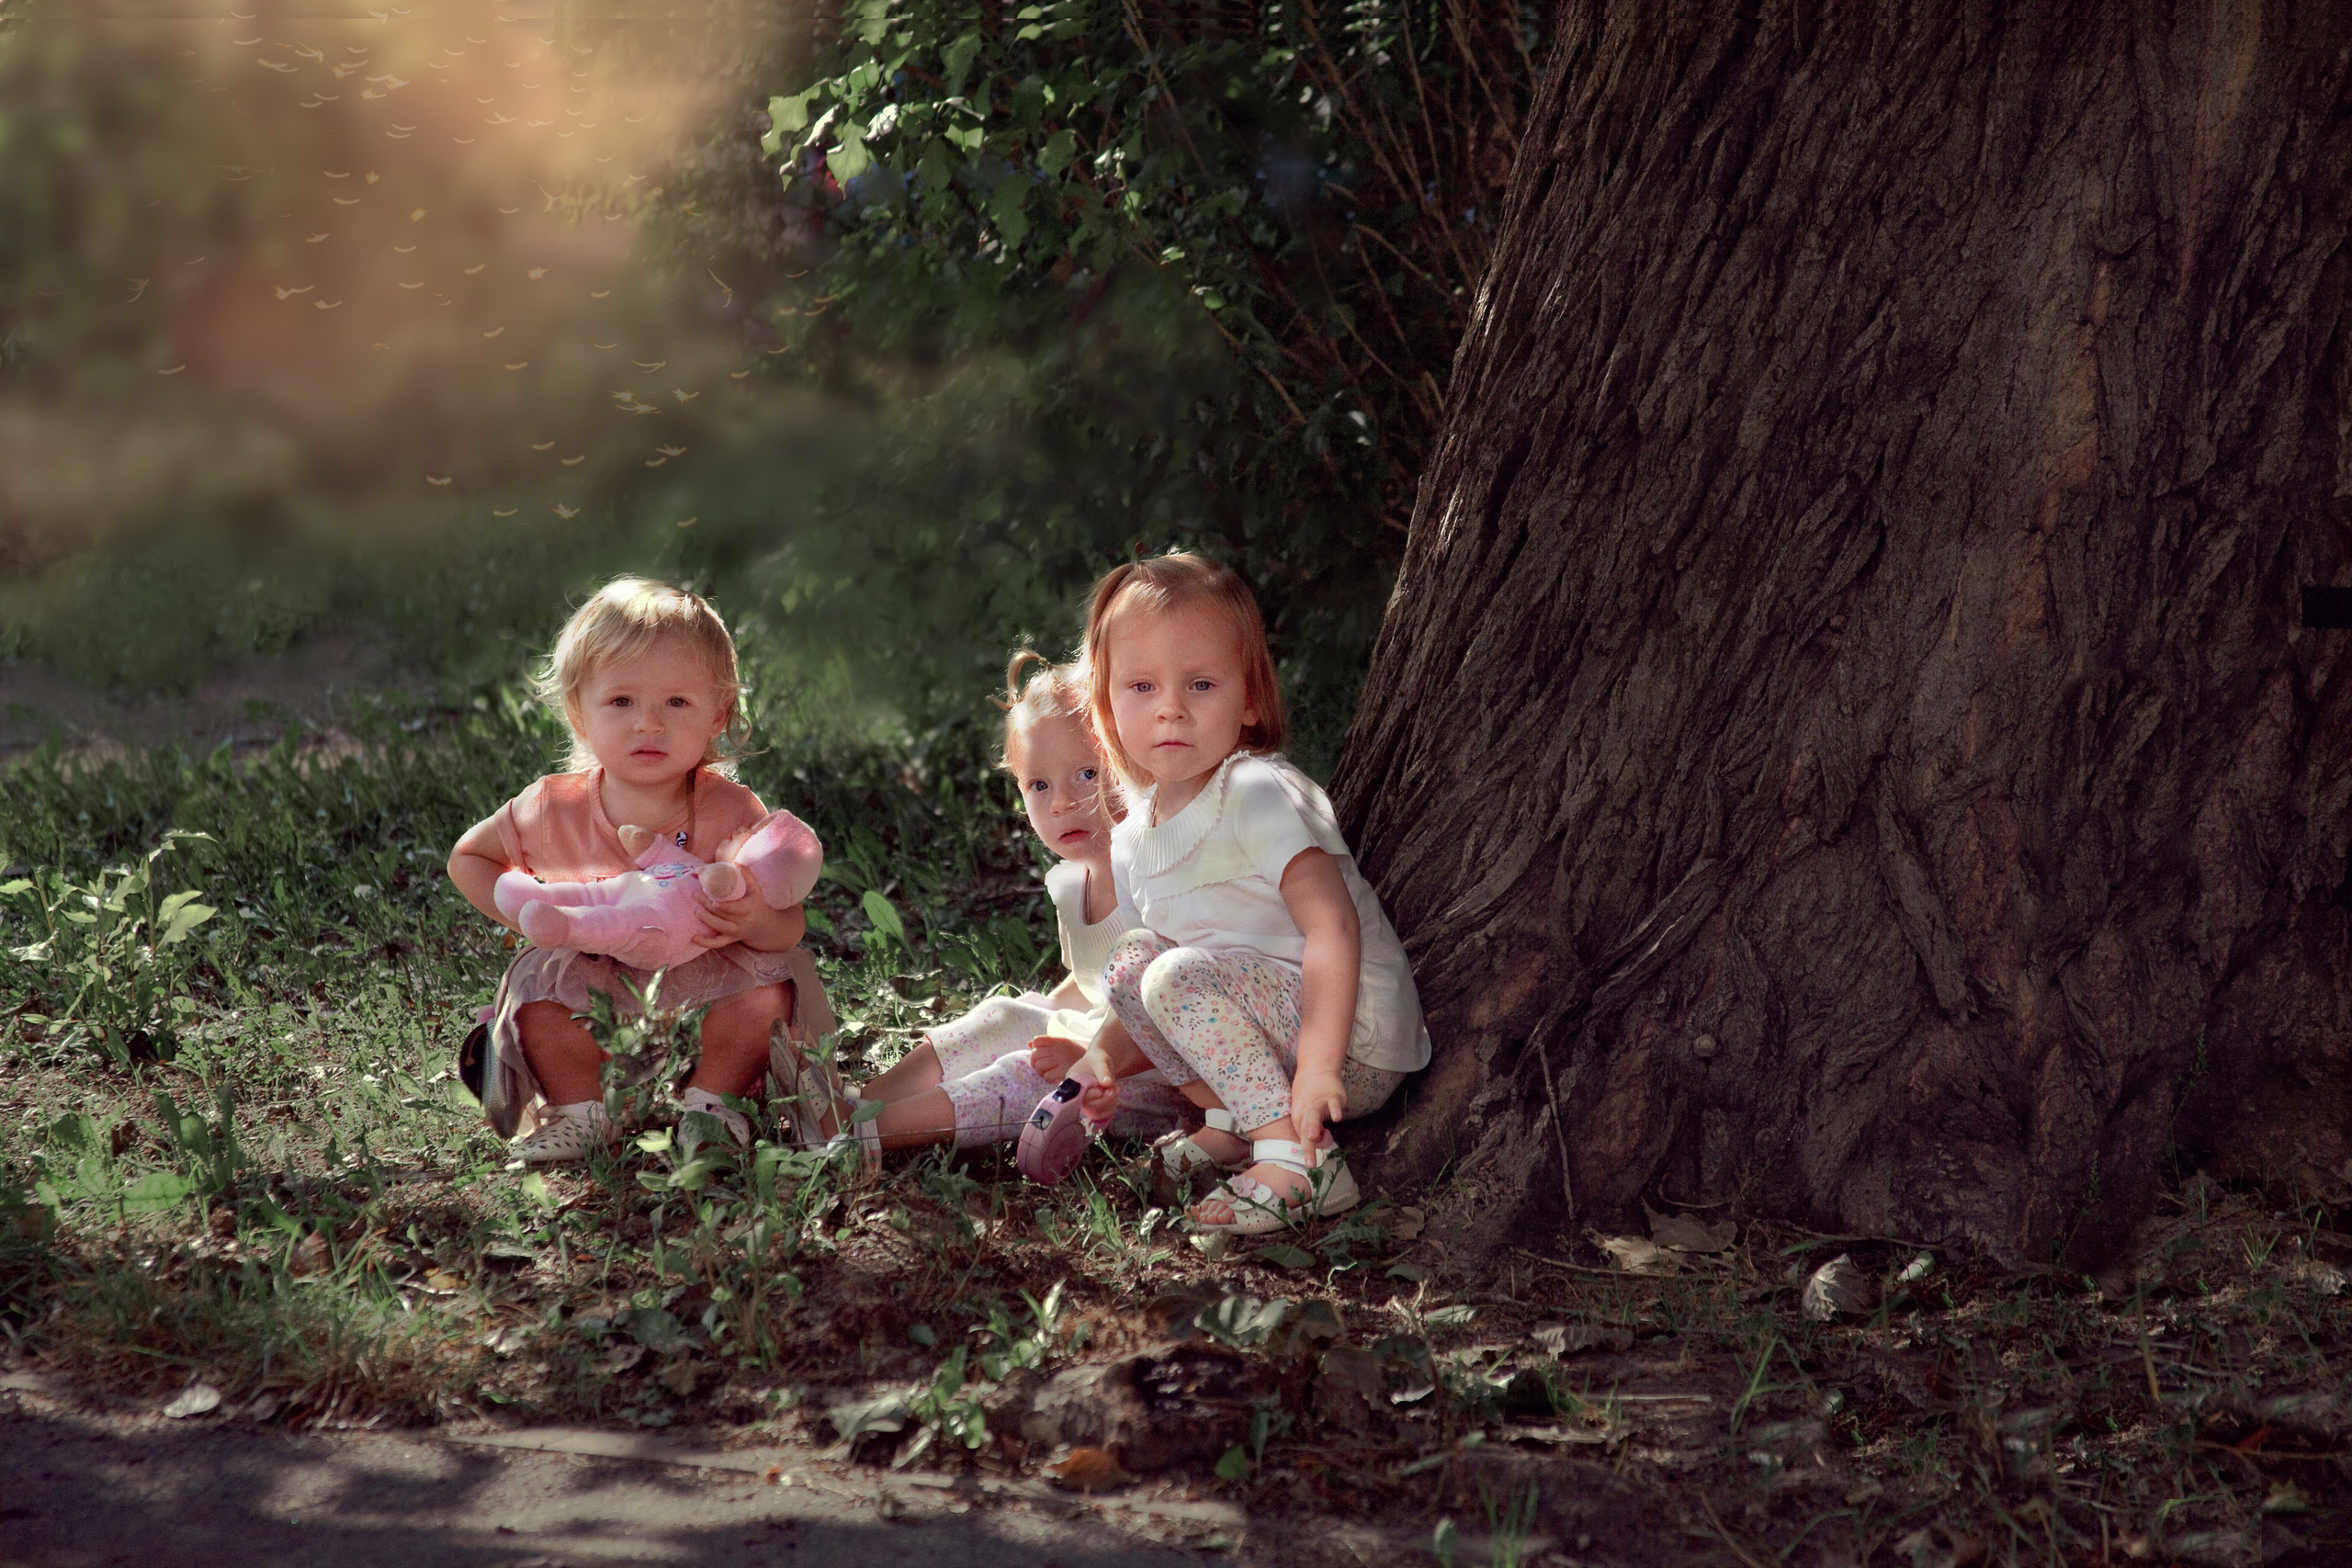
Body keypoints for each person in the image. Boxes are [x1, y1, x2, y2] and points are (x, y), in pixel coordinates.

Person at [1070, 553, 1430, 1234]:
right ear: (1106, 709)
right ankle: (1237, 1121)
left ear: (1252, 699)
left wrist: (1322, 1066)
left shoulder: (1256, 791)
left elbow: (1334, 927)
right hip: (1271, 1037)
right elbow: (1161, 987)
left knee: (1172, 973)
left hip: (1351, 1037)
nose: (1171, 707)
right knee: (1133, 962)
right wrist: (1099, 1056)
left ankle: (1299, 1161)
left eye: (1201, 684)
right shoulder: (1134, 838)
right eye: (1141, 686)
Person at [447, 577, 847, 1164]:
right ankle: (582, 1109)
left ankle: (713, 1103)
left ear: (720, 714)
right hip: (588, 959)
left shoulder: (733, 810)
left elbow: (788, 930)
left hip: (704, 966)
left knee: (767, 991)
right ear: (580, 712)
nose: (648, 724)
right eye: (622, 701)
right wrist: (526, 911)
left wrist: (751, 916)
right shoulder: (551, 806)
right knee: (537, 992)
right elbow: (468, 859)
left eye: (677, 703)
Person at [854, 654, 1187, 1159]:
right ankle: (861, 1103)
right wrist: (1043, 1016)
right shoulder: (1074, 882)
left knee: (1022, 1072)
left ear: (1133, 762)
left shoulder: (1152, 876)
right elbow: (1088, 982)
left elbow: (1176, 1008)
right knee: (1010, 1013)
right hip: (1099, 1048)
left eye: (1085, 774)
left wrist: (1092, 1056)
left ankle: (874, 1133)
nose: (1061, 803)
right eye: (1039, 785)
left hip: (1162, 1080)